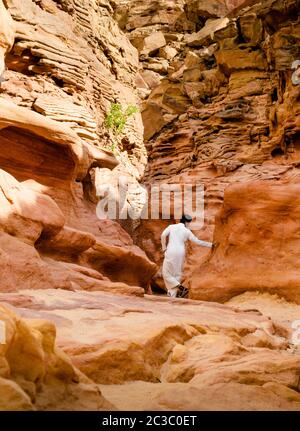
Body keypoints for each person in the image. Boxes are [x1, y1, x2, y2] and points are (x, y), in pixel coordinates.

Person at [161, 214, 213, 298]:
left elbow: (163, 235)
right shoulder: (187, 231)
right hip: (181, 252)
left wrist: (164, 248)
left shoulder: (171, 227)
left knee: (166, 273)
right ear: (186, 222)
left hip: (171, 250)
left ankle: (180, 289)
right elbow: (197, 241)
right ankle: (172, 296)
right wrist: (211, 244)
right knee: (177, 274)